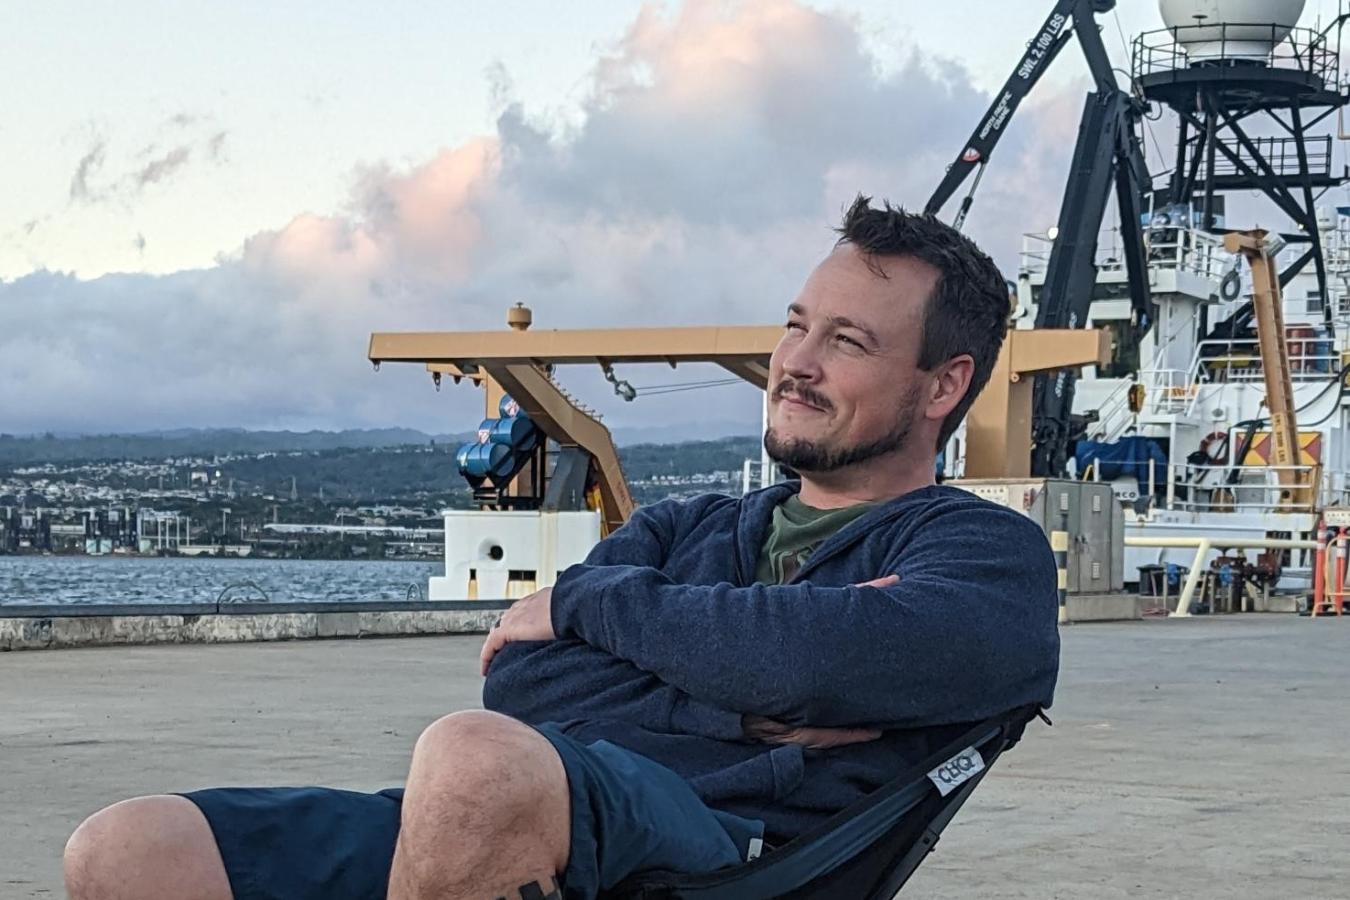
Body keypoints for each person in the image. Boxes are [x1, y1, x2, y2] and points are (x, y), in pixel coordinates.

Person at [63, 196, 1059, 900]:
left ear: (941, 385)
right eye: (797, 327)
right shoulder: (690, 525)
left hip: (719, 854)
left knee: (475, 761)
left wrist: (607, 619)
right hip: (531, 810)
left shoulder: (985, 558)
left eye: (848, 342)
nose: (794, 363)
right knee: (130, 850)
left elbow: (813, 657)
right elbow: (526, 678)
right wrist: (745, 703)